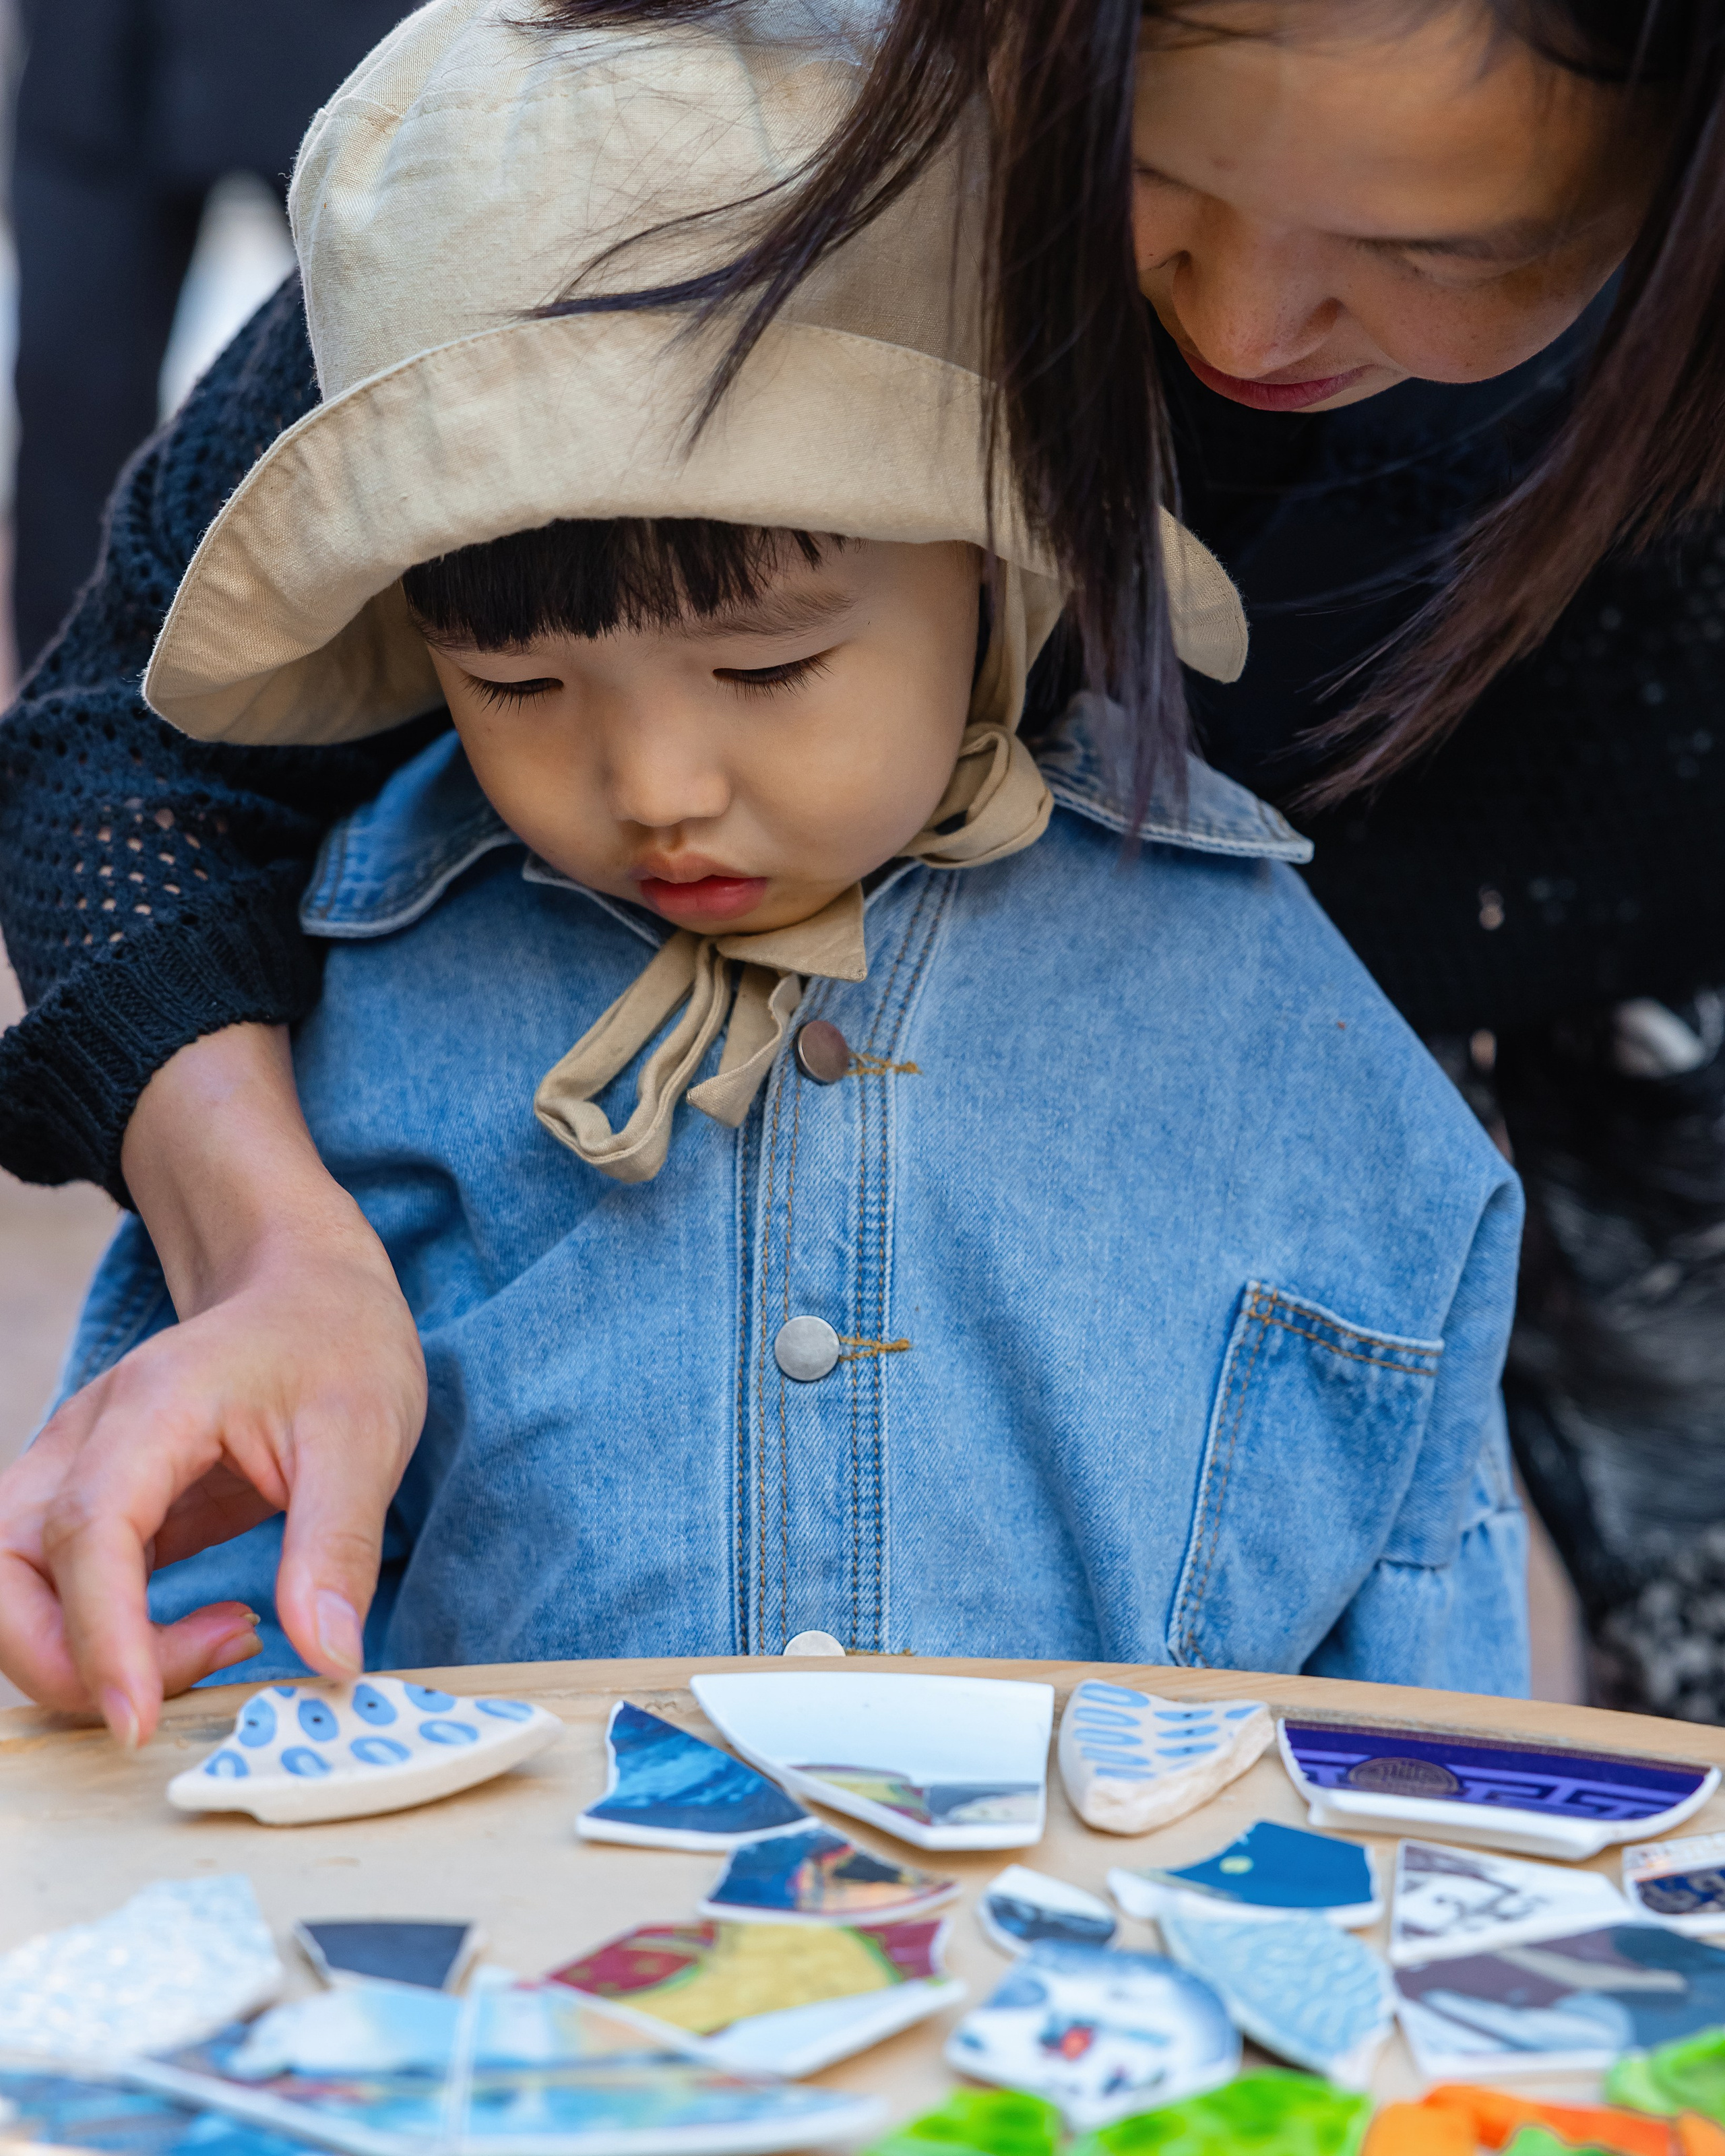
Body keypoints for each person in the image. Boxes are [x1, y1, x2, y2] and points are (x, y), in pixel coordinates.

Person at [0, 0, 1714, 1723]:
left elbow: (1421, 1728)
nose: (1236, 318)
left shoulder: (1301, 1081)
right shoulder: (732, 126)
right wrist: (270, 1251)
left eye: (1432, 244)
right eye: (1159, 173)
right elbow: (128, 751)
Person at [11, 0, 408, 666]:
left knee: (397, 374)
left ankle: (447, 708)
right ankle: (66, 717)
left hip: (335, 37)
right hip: (92, 46)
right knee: (69, 400)